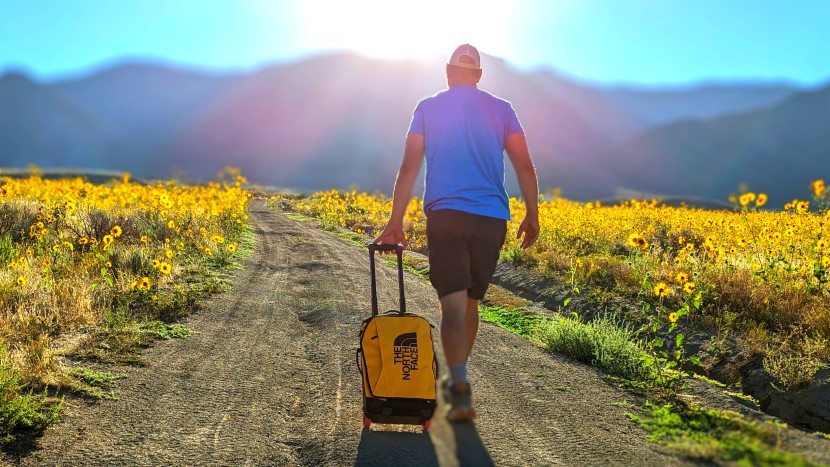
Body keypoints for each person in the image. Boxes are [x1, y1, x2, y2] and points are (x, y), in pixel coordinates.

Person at [373, 44, 540, 422]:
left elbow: (410, 166)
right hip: (490, 219)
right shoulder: (503, 109)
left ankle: (459, 386)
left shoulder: (428, 108)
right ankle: (460, 385)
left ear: (448, 72)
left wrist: (395, 221)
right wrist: (532, 213)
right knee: (470, 303)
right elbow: (524, 164)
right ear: (478, 75)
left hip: (446, 215)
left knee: (452, 302)